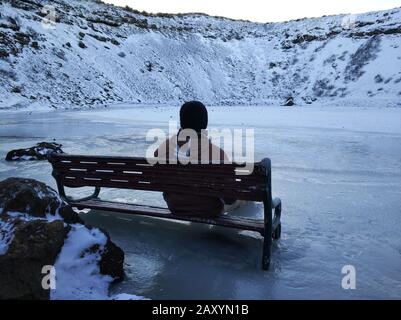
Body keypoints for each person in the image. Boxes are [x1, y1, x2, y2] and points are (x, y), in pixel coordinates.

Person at [154, 101, 244, 218]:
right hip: (209, 210)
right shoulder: (216, 154)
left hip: (175, 206)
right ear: (204, 123)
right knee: (242, 200)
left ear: (182, 121)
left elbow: (157, 180)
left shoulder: (163, 149)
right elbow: (230, 199)